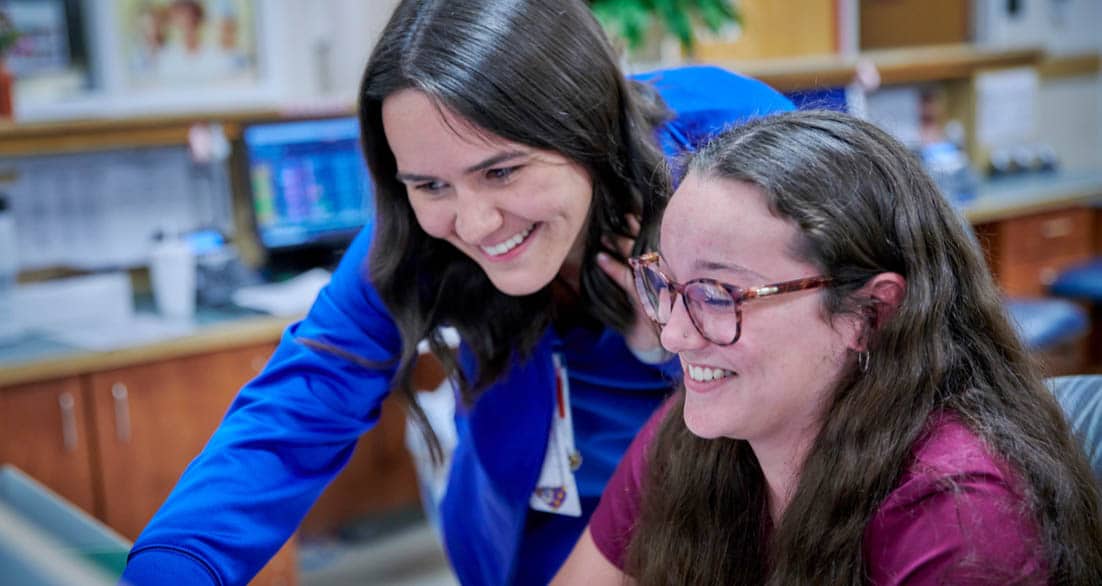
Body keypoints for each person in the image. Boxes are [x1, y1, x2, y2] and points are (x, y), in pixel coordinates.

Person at [120, 0, 794, 584]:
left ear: (584, 129)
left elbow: (850, 358)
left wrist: (673, 349)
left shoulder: (732, 142)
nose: (471, 225)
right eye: (430, 185)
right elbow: (303, 401)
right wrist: (174, 565)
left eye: (502, 171)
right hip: (526, 539)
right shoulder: (416, 236)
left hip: (728, 536)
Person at [554, 110, 1102, 585]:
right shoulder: (695, 436)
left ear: (870, 313)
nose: (672, 335)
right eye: (666, 285)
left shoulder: (958, 519)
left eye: (717, 295)